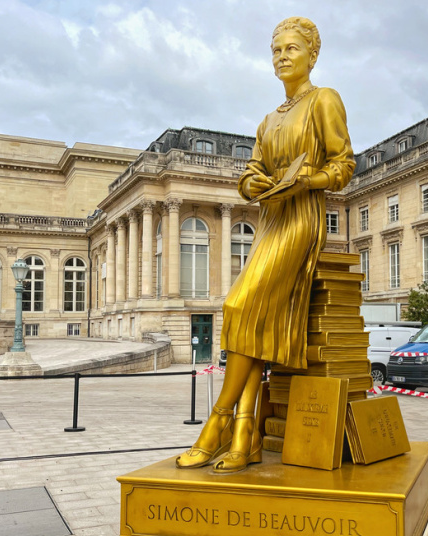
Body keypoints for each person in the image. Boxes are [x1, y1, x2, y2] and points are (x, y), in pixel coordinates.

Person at [177, 16, 354, 474]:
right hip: (270, 218)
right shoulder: (267, 120)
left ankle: (216, 423)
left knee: (238, 306)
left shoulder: (324, 100)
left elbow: (344, 164)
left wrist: (312, 178)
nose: (282, 57)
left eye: (291, 49)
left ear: (312, 54)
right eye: (276, 51)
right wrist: (252, 184)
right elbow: (249, 172)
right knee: (253, 327)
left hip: (302, 218)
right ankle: (245, 436)